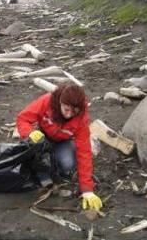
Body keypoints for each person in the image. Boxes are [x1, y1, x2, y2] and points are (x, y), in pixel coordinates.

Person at [16, 82, 102, 211]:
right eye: (66, 109)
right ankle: (46, 168)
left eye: (74, 111)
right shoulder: (46, 101)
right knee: (30, 159)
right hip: (40, 136)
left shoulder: (82, 119)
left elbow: (84, 152)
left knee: (67, 165)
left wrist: (87, 190)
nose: (69, 114)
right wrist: (29, 133)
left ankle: (53, 165)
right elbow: (23, 118)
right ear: (60, 102)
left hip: (62, 142)